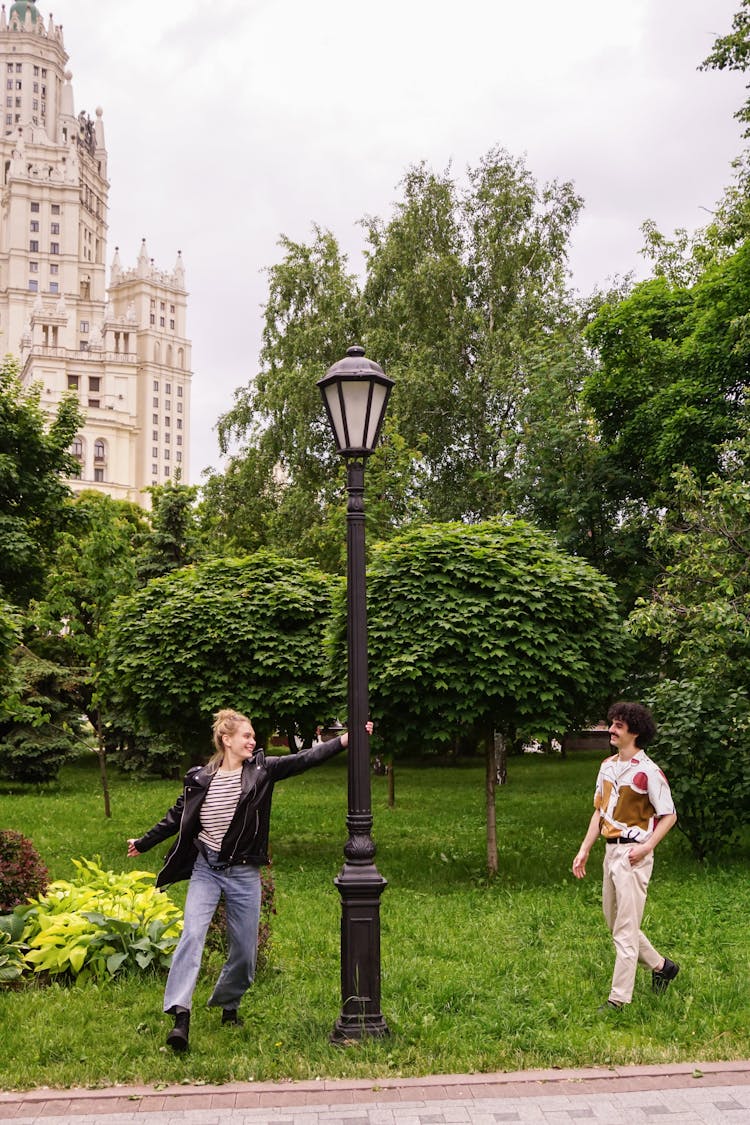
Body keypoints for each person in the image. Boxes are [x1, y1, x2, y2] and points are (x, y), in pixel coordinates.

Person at [127, 710, 372, 1052]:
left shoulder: (262, 772)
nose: (252, 741)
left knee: (244, 952)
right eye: (246, 736)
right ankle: (180, 1016)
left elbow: (304, 759)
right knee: (192, 936)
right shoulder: (199, 778)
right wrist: (144, 842)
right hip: (206, 870)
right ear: (226, 740)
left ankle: (230, 1004)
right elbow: (176, 817)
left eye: (253, 737)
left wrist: (345, 740)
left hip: (243, 873)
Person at [572, 701, 679, 1011]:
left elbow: (669, 815)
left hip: (634, 855)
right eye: (612, 723)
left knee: (625, 930)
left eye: (618, 725)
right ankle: (662, 967)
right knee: (615, 922)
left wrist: (647, 847)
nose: (611, 729)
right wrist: (584, 849)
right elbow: (599, 811)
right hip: (610, 852)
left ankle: (618, 1000)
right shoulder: (606, 766)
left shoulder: (649, 772)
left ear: (635, 732)